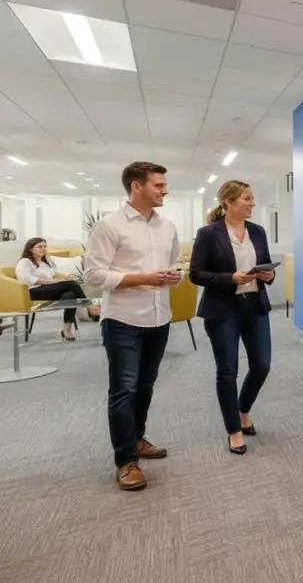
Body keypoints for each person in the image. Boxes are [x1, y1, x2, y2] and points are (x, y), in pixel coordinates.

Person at [84, 162, 183, 491]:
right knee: (123, 390)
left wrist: (174, 275)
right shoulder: (109, 226)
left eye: (165, 184)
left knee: (145, 386)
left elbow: (175, 266)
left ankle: (137, 439)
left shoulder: (167, 227)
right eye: (159, 185)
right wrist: (145, 278)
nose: (165, 190)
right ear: (136, 187)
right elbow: (94, 277)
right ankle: (126, 461)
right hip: (123, 320)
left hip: (159, 318)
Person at [189, 180, 275, 455]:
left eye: (252, 199)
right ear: (228, 202)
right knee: (228, 371)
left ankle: (243, 408)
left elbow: (267, 264)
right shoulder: (208, 234)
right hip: (222, 309)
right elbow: (196, 274)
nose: (252, 203)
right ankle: (234, 430)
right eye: (246, 199)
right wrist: (231, 278)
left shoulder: (258, 232)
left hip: (255, 305)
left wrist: (269, 275)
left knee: (262, 365)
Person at [15, 237, 89, 340]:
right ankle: (89, 308)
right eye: (39, 246)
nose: (43, 248)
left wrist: (57, 281)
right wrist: (54, 282)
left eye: (45, 246)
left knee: (70, 295)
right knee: (72, 284)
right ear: (30, 249)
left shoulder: (46, 262)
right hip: (33, 291)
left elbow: (53, 277)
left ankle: (66, 329)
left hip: (49, 290)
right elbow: (26, 278)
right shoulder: (25, 262)